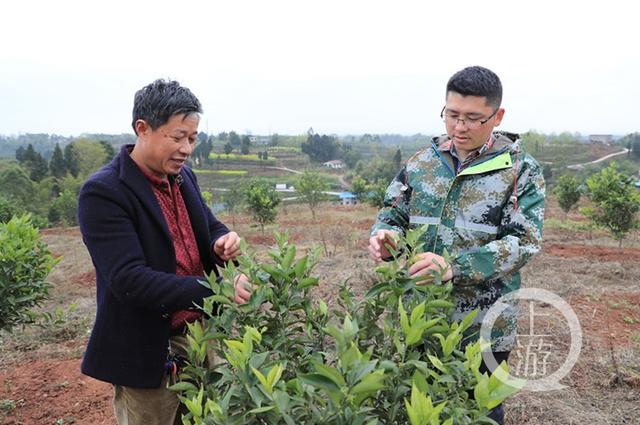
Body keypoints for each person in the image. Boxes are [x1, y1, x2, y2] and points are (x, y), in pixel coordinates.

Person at [368, 66, 545, 424]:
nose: (459, 127)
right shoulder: (422, 163)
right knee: (417, 409)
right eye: (452, 115)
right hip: (421, 318)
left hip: (483, 325)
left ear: (497, 116)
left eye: (472, 118)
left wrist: (455, 268)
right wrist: (384, 238)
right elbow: (392, 214)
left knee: (479, 412)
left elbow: (524, 241)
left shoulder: (520, 171)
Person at [78, 79, 252, 425]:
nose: (186, 148)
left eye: (192, 137)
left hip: (202, 336)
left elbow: (209, 225)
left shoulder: (184, 178)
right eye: (176, 137)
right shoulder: (105, 192)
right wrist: (214, 289)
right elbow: (130, 280)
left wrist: (222, 241)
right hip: (148, 349)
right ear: (142, 129)